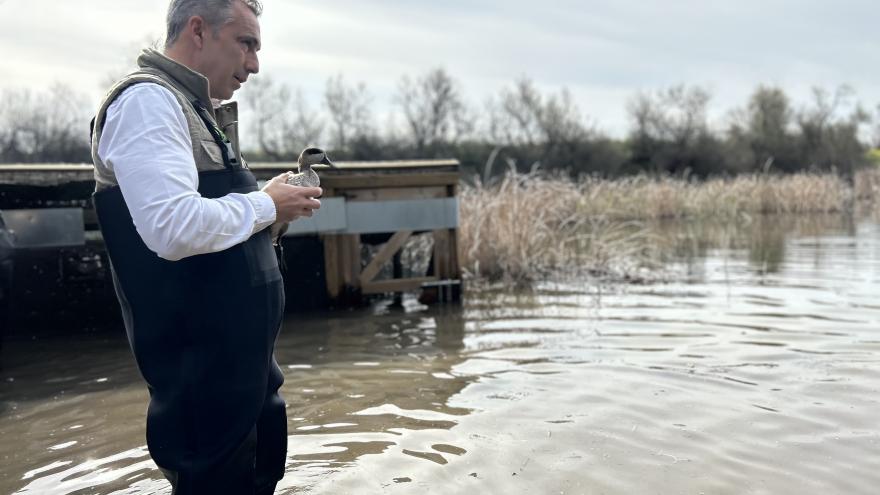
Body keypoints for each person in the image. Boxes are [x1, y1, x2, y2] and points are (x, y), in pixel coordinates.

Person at [89, 1, 319, 493]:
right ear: (198, 30)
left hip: (243, 370)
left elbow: (212, 228)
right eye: (246, 43)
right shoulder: (148, 102)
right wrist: (262, 205)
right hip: (202, 376)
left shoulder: (196, 107)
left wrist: (273, 211)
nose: (254, 64)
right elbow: (172, 228)